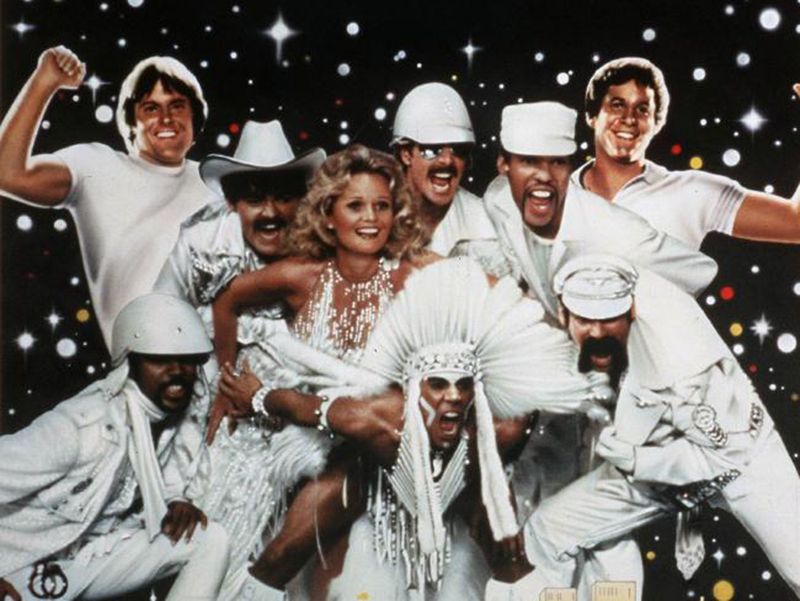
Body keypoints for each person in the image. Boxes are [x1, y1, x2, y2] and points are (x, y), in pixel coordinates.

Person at [227, 258, 612, 600]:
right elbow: (304, 407)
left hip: (457, 485)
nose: (453, 397)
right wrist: (258, 396)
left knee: (511, 558)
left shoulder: (492, 433)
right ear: (415, 390)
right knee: (281, 555)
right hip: (368, 479)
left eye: (463, 386)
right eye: (438, 385)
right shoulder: (377, 421)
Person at [206, 144, 431, 599]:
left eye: (382, 206)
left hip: (372, 445)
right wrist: (224, 385)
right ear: (328, 214)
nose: (370, 219)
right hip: (299, 433)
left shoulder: (409, 276)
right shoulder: (302, 276)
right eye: (355, 206)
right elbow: (227, 300)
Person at [524, 255, 800, 600]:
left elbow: (718, 458)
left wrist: (639, 462)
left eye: (609, 319)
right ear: (564, 313)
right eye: (584, 319)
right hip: (653, 465)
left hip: (743, 462)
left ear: (631, 310)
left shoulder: (679, 361)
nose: (597, 332)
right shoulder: (566, 312)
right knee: (548, 531)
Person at [153, 119, 327, 597]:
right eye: (254, 199)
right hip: (205, 407)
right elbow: (159, 328)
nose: (270, 212)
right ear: (232, 201)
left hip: (293, 416)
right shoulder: (201, 244)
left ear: (304, 199)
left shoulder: (326, 248)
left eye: (284, 197)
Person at [0, 293, 230, 601]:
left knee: (208, 538)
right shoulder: (78, 428)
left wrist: (175, 501)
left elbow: (167, 471)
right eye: (159, 359)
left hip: (87, 558)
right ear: (130, 362)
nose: (177, 370)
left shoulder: (170, 418)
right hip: (20, 568)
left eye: (187, 360)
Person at [0, 46, 217, 347]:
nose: (166, 118)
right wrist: (44, 81)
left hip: (218, 362)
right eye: (150, 108)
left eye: (177, 105)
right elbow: (7, 174)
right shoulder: (96, 166)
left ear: (196, 117)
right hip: (138, 364)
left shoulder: (217, 183)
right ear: (130, 122)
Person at [576, 56, 800, 248]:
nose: (629, 119)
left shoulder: (691, 192)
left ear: (656, 123)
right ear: (592, 116)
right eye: (617, 105)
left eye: (642, 109)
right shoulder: (559, 194)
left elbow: (796, 223)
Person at [392, 82, 510, 276]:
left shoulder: (484, 220)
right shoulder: (374, 214)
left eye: (458, 150)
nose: (447, 160)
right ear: (406, 154)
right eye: (432, 149)